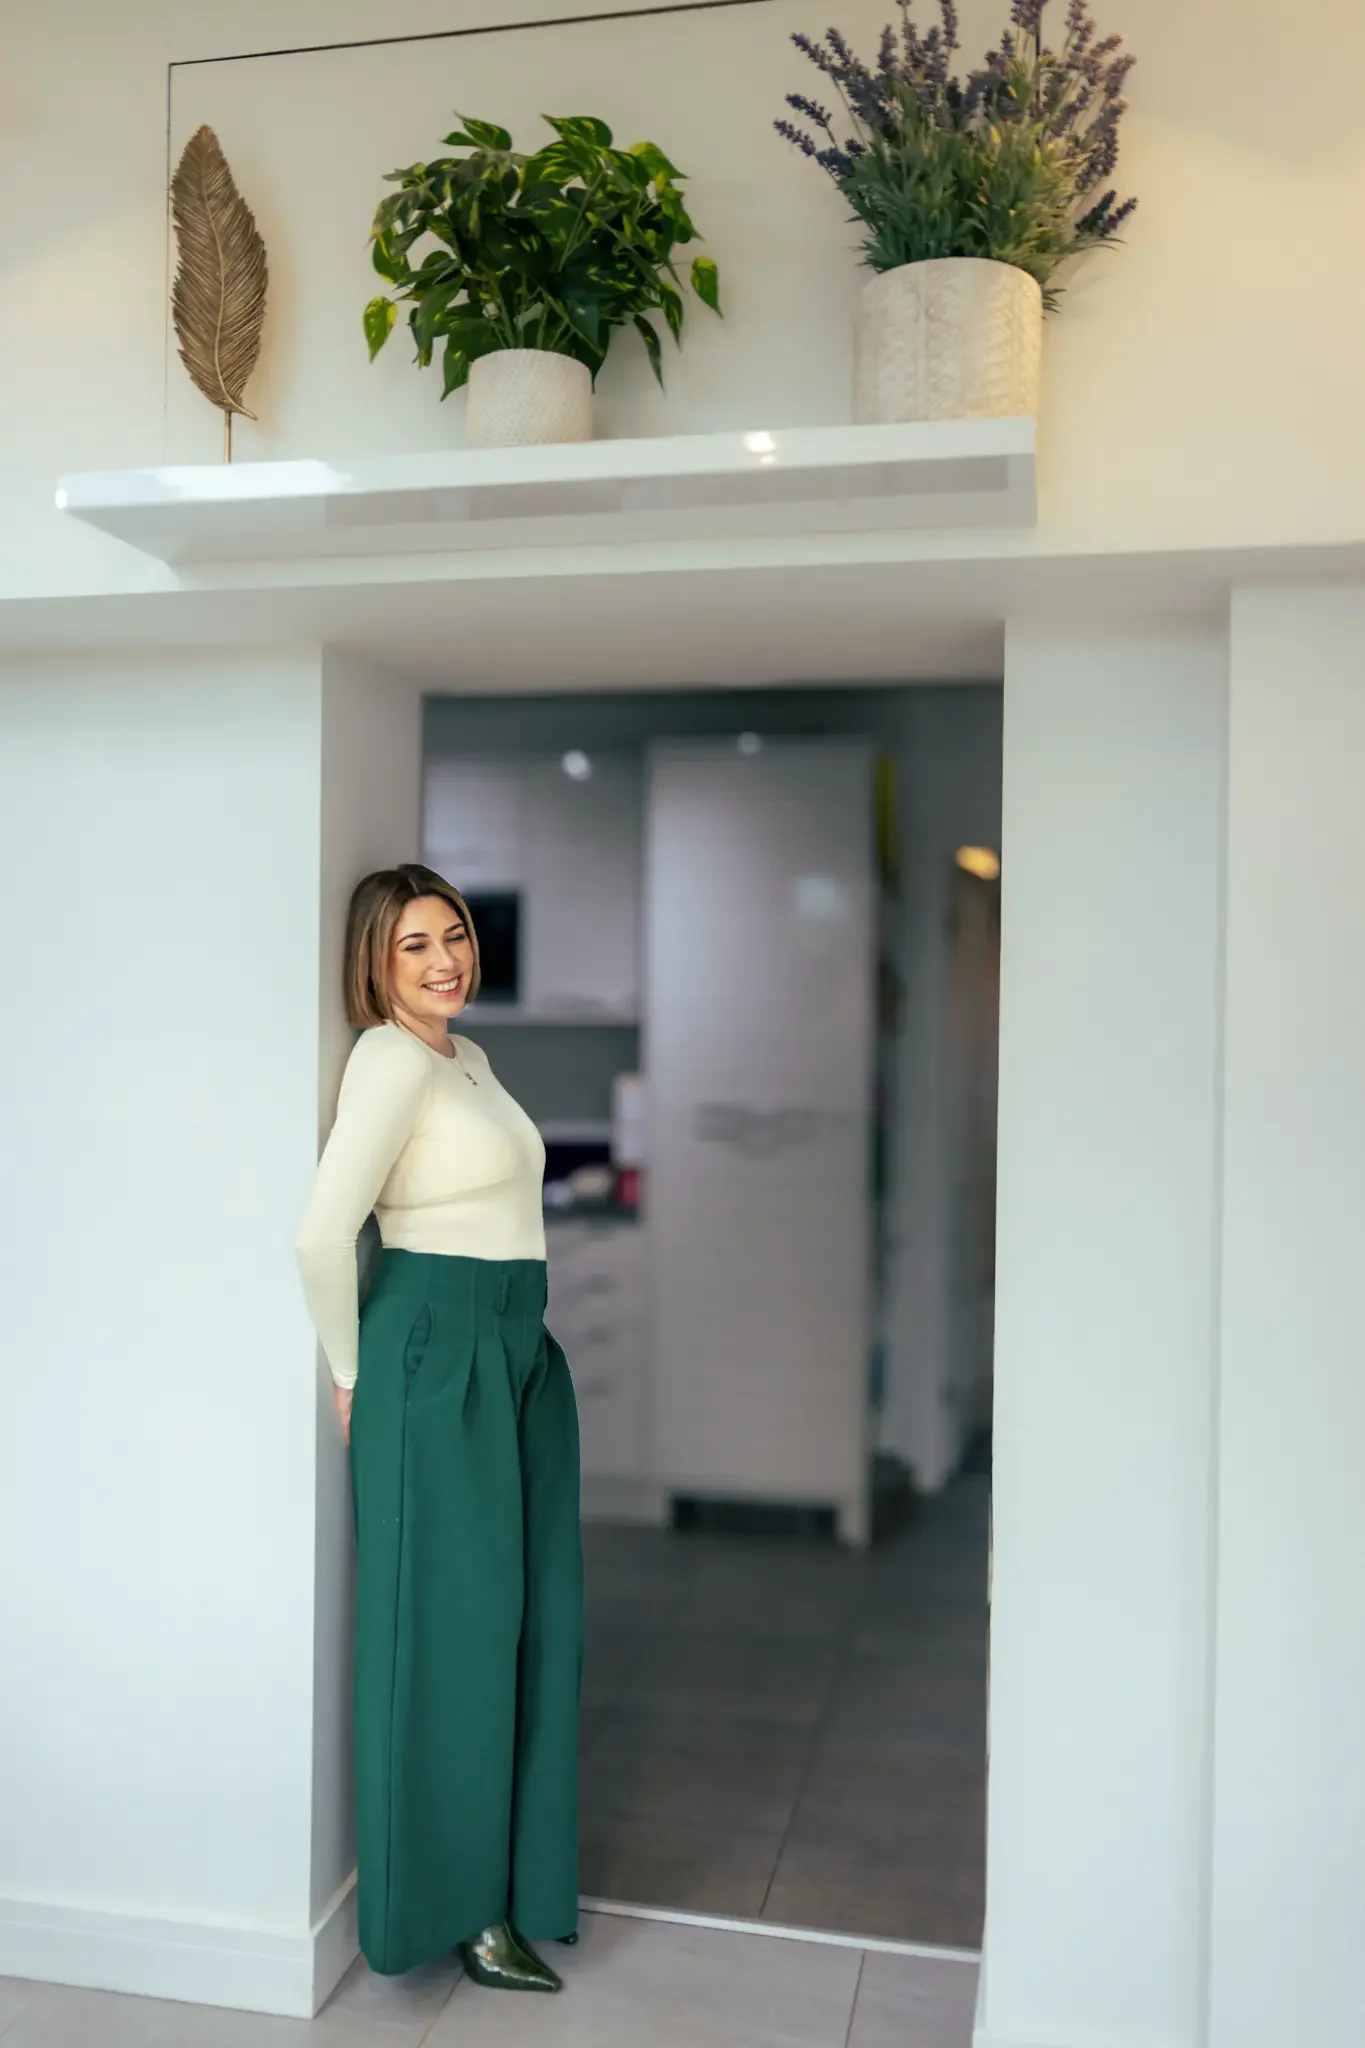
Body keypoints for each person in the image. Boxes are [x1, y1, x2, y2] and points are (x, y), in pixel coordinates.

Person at [295, 863, 583, 1992]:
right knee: (450, 1638)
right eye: (415, 944)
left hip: (519, 1346)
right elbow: (325, 1233)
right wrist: (354, 1371)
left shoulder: (468, 1056)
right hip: (437, 1343)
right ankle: (455, 1908)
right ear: (375, 961)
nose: (444, 960)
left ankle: (521, 1885)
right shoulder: (385, 1058)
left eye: (453, 934)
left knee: (538, 1622)